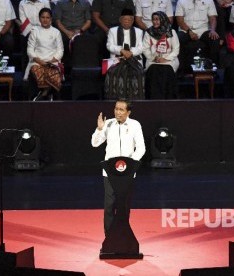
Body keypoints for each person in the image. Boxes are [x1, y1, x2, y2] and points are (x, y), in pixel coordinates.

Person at [91, 98, 146, 236]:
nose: (118, 112)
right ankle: (109, 238)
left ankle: (122, 236)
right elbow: (95, 143)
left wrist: (131, 164)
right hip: (109, 172)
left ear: (128, 112)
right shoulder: (108, 124)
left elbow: (141, 148)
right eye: (116, 109)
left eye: (121, 109)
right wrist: (99, 129)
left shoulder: (135, 125)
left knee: (124, 206)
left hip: (127, 173)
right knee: (109, 206)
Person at [25, 7, 64, 101]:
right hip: (37, 61)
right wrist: (39, 61)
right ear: (39, 19)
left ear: (51, 19)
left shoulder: (56, 32)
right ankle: (48, 92)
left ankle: (44, 93)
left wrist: (52, 60)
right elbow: (30, 50)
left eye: (47, 17)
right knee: (36, 70)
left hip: (52, 61)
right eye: (43, 17)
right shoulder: (34, 32)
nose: (45, 20)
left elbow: (60, 51)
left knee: (53, 72)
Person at [105, 8, 144, 99]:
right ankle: (114, 100)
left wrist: (130, 53)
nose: (127, 22)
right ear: (120, 20)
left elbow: (141, 48)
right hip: (117, 60)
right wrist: (121, 51)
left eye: (129, 20)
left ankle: (136, 100)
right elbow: (109, 45)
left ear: (133, 20)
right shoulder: (112, 31)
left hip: (134, 59)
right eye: (124, 19)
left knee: (138, 73)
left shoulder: (139, 31)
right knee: (113, 74)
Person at [175, 0, 220, 74]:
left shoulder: (209, 1)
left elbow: (212, 18)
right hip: (186, 30)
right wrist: (189, 32)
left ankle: (212, 69)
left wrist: (212, 30)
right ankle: (181, 71)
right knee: (179, 38)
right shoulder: (181, 1)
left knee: (214, 38)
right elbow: (180, 21)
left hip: (203, 30)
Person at [142, 11, 180, 99]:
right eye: (153, 20)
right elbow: (145, 49)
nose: (155, 22)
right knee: (154, 70)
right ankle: (153, 98)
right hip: (153, 59)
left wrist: (165, 59)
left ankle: (169, 98)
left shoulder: (171, 32)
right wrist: (153, 58)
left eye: (157, 19)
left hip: (169, 59)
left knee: (166, 70)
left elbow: (176, 49)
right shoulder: (148, 32)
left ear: (163, 20)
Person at [54, 0, 91, 73]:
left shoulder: (86, 3)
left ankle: (81, 70)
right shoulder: (60, 3)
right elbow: (58, 22)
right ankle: (63, 71)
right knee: (60, 40)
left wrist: (80, 31)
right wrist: (67, 32)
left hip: (81, 31)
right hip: (64, 31)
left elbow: (88, 22)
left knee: (86, 41)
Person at [17, 0, 50, 71]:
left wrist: (41, 32)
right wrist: (33, 33)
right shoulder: (22, 3)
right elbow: (23, 20)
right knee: (26, 40)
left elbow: (48, 18)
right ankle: (26, 72)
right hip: (28, 30)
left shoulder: (45, 2)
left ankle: (44, 70)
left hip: (43, 29)